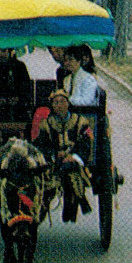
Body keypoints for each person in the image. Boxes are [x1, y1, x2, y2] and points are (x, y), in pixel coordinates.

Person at [35, 89, 94, 222]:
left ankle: (76, 201)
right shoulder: (47, 124)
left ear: (68, 103)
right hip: (55, 162)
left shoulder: (80, 121)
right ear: (52, 106)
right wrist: (55, 155)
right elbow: (41, 145)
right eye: (55, 103)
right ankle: (81, 200)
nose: (59, 105)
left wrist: (74, 156)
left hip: (74, 162)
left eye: (62, 102)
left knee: (71, 168)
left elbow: (85, 144)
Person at [0, 47, 33, 122]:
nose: (0, 54)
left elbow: (26, 88)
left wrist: (18, 98)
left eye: (3, 51)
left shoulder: (19, 66)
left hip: (18, 110)